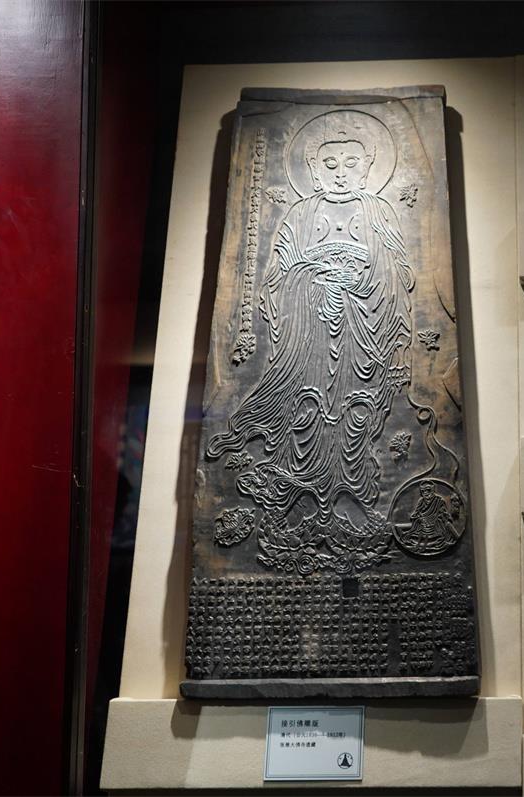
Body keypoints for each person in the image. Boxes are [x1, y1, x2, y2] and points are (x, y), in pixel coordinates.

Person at [207, 111, 414, 548]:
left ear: (368, 168)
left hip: (363, 332)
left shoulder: (377, 211)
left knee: (356, 416)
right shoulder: (301, 213)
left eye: (351, 164)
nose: (341, 173)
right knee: (305, 411)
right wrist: (315, 277)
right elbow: (276, 279)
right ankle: (295, 497)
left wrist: (357, 289)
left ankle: (351, 496)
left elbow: (395, 279)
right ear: (315, 171)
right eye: (330, 165)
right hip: (309, 333)